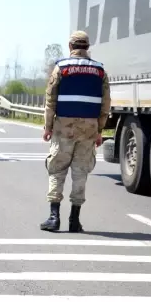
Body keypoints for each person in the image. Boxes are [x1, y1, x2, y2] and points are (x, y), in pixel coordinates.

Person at [40, 30, 110, 233]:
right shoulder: (100, 71)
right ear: (87, 47)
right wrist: (99, 130)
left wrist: (48, 127)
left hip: (64, 126)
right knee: (81, 172)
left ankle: (54, 218)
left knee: (57, 169)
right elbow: (105, 104)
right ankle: (74, 220)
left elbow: (50, 100)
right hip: (89, 128)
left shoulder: (61, 67)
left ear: (71, 46)